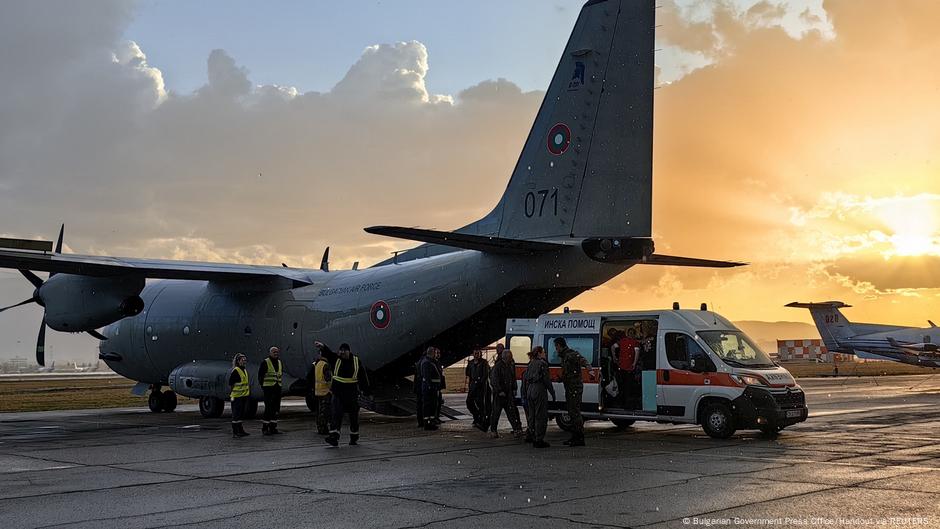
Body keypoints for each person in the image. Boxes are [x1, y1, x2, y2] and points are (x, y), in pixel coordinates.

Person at [316, 341, 371, 446]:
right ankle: (334, 437)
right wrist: (323, 347)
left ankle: (354, 437)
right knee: (336, 415)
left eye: (343, 351)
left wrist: (367, 392)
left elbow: (363, 377)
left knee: (353, 416)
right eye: (340, 351)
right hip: (338, 393)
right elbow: (329, 353)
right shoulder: (336, 359)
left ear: (349, 352)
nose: (341, 353)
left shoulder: (356, 361)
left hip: (352, 394)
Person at [555, 336, 587, 447]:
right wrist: (561, 379)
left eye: (556, 347)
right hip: (570, 387)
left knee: (575, 413)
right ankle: (575, 436)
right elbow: (567, 373)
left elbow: (583, 360)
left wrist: (590, 370)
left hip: (574, 388)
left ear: (559, 345)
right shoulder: (565, 356)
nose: (556, 349)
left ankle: (579, 437)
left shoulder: (570, 354)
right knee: (572, 412)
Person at [522, 346, 555, 448]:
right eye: (543, 352)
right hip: (539, 389)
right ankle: (539, 439)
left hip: (530, 389)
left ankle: (531, 435)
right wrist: (552, 392)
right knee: (540, 415)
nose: (545, 354)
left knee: (531, 415)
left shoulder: (530, 363)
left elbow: (525, 377)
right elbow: (546, 380)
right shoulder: (542, 364)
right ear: (539, 353)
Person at [489, 348, 523, 438]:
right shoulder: (498, 367)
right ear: (506, 357)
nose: (511, 359)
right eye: (510, 357)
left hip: (508, 393)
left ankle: (516, 429)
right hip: (499, 395)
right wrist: (499, 390)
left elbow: (513, 377)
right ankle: (493, 430)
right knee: (496, 413)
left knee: (511, 413)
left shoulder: (510, 365)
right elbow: (494, 380)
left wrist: (514, 388)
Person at [258, 346, 284, 435]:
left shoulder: (279, 362)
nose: (276, 353)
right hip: (268, 389)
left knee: (276, 409)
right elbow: (260, 376)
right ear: (270, 353)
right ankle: (265, 428)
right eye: (274, 352)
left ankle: (273, 427)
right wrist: (264, 386)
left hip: (277, 388)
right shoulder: (265, 362)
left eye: (277, 352)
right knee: (268, 409)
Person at [306, 349, 332, 435]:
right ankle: (323, 428)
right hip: (325, 391)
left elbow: (309, 378)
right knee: (324, 412)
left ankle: (320, 427)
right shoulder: (325, 365)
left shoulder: (315, 364)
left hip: (317, 391)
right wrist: (331, 389)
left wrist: (312, 388)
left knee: (318, 411)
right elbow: (328, 379)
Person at [464, 349, 490, 431]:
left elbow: (486, 374)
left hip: (480, 386)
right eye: (475, 353)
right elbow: (467, 373)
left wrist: (480, 382)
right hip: (472, 386)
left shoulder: (484, 362)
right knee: (469, 402)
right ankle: (476, 415)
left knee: (480, 403)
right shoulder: (471, 362)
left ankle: (481, 419)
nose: (476, 355)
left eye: (478, 353)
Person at [419, 346, 443, 431]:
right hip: (429, 388)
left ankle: (431, 421)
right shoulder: (426, 362)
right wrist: (430, 386)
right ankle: (427, 423)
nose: (436, 354)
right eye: (435, 353)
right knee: (428, 405)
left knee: (433, 405)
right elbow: (426, 376)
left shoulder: (431, 362)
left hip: (433, 387)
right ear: (432, 353)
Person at [228, 353, 251, 438]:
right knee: (236, 414)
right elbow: (231, 383)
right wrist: (232, 394)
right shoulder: (236, 370)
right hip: (236, 396)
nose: (244, 361)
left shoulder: (244, 370)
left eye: (245, 360)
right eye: (242, 360)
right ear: (238, 361)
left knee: (240, 414)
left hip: (243, 396)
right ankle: (235, 432)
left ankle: (240, 430)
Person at [413, 349, 427, 428]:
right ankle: (423, 421)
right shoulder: (424, 363)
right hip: (422, 387)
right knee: (423, 405)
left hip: (418, 387)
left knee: (420, 405)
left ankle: (421, 421)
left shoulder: (419, 362)